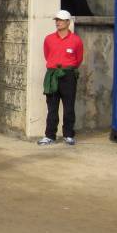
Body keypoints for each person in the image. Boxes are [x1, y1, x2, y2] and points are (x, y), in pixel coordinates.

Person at [38, 10, 83, 146]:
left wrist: (66, 68)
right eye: (56, 20)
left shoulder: (76, 40)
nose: (57, 22)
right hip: (52, 75)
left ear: (68, 22)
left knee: (69, 106)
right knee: (52, 107)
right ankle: (49, 135)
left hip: (68, 75)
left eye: (61, 20)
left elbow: (79, 59)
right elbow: (47, 55)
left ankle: (68, 135)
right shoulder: (49, 39)